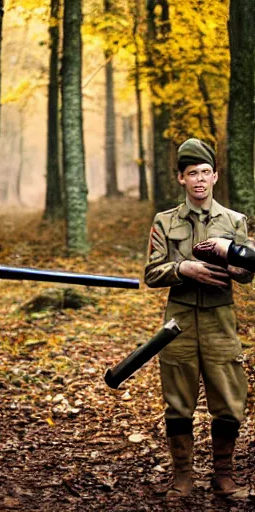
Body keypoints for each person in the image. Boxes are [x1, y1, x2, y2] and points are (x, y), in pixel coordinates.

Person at [144, 138, 253, 499]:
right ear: (181, 179)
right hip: (178, 323)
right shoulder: (164, 222)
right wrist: (184, 267)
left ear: (216, 175)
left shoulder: (235, 221)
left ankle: (223, 477)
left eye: (206, 172)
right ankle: (182, 478)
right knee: (178, 400)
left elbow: (247, 272)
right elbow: (151, 272)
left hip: (220, 320)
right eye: (193, 173)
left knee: (228, 399)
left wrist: (237, 265)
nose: (200, 180)